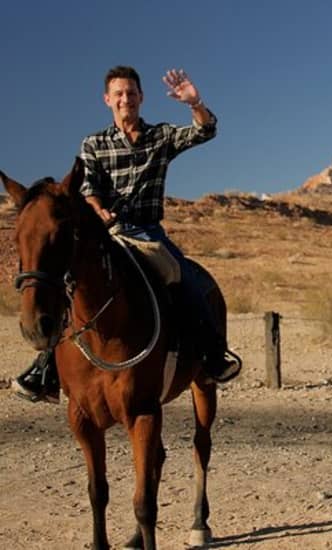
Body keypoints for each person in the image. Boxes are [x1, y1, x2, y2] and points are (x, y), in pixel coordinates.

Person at [12, 65, 240, 403]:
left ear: (141, 98)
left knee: (183, 277)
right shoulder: (94, 143)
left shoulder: (160, 136)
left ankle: (211, 354)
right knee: (70, 283)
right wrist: (98, 209)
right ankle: (46, 365)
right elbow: (88, 188)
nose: (125, 99)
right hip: (106, 232)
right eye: (118, 94)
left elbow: (204, 131)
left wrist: (195, 103)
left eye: (131, 93)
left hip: (148, 234)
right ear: (107, 99)